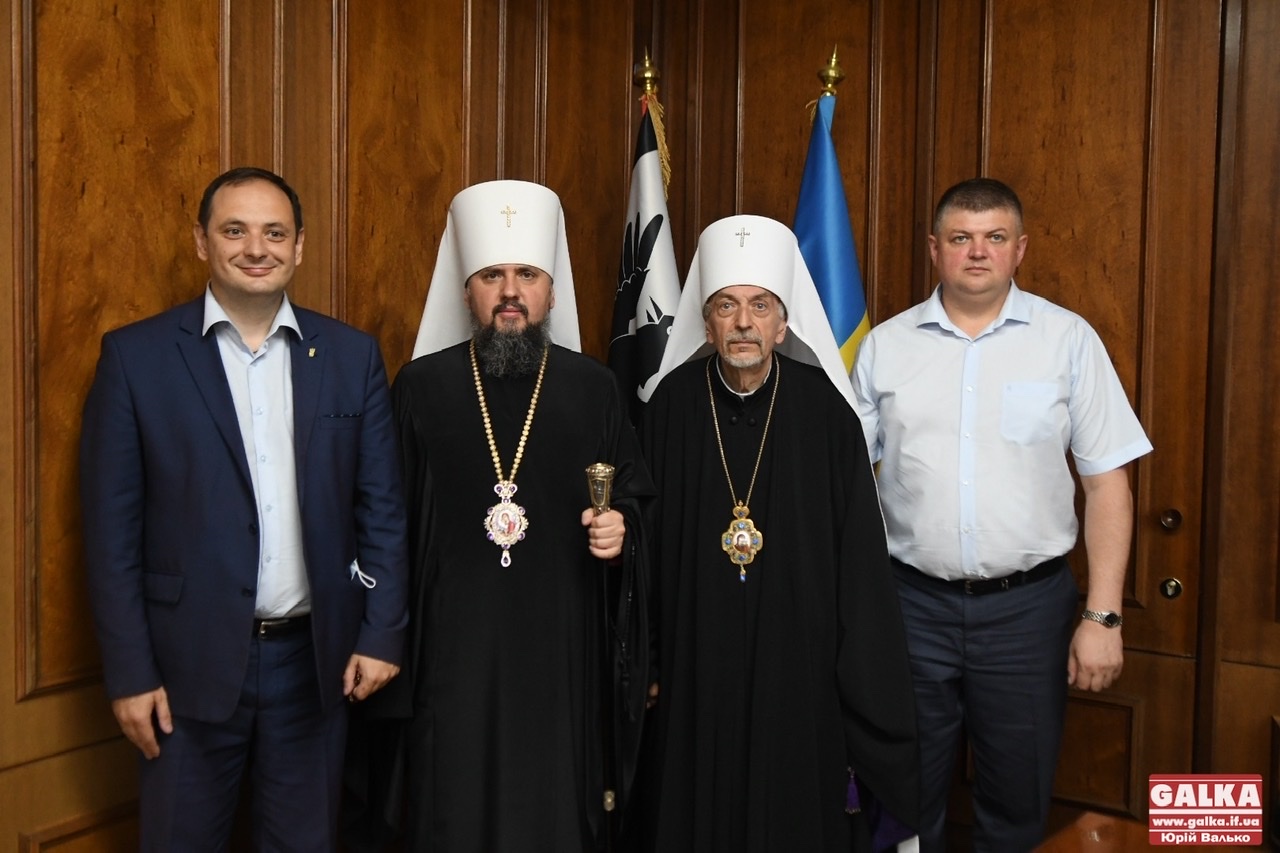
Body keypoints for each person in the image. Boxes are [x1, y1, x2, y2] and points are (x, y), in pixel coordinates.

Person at [79, 166, 409, 851]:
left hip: (315, 668)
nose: (256, 248)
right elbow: (111, 536)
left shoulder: (350, 357)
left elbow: (381, 509)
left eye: (275, 233)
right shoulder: (135, 358)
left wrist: (382, 632)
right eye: (235, 230)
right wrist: (131, 673)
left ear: (299, 246)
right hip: (183, 671)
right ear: (202, 241)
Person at [851, 177, 1153, 851]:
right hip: (909, 609)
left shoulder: (1067, 341)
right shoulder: (887, 346)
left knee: (1016, 805)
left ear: (1020, 249)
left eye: (994, 237)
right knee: (901, 798)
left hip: (1027, 614)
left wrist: (1104, 616)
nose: (977, 252)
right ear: (935, 249)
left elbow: (1108, 484)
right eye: (961, 238)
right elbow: (841, 478)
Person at [354, 179, 655, 852]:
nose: (510, 292)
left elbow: (635, 498)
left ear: (552, 291)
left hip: (561, 649)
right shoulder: (421, 386)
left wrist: (622, 530)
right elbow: (385, 522)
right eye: (492, 275)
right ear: (467, 291)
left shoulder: (595, 388)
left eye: (528, 276)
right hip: (451, 650)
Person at [640, 214, 918, 852]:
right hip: (694, 662)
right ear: (705, 322)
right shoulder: (669, 408)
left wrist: (854, 675)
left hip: (799, 666)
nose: (744, 323)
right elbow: (645, 550)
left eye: (760, 306)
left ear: (783, 323)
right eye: (727, 306)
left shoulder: (826, 413)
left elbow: (858, 563)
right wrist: (650, 659)